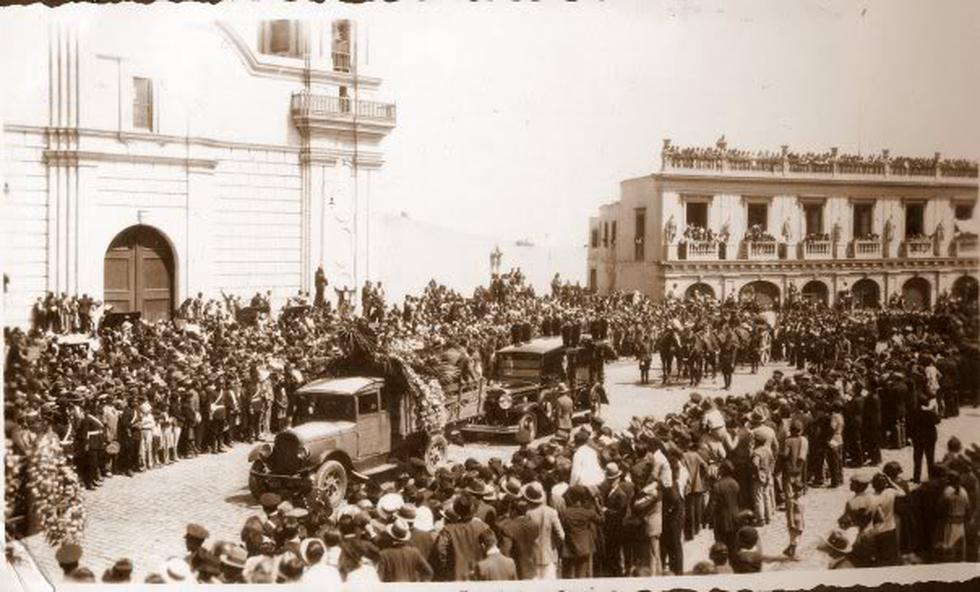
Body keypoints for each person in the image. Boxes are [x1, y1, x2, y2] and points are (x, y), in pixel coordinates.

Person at [524, 482, 564, 580]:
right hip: (549, 556)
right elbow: (561, 535)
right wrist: (553, 546)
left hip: (533, 557)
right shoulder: (551, 512)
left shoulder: (528, 514)